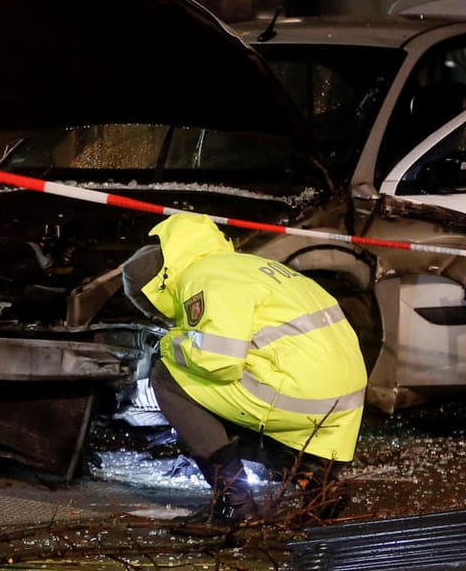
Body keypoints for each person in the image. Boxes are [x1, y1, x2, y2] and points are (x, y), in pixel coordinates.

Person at [120, 211, 367, 522]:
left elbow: (219, 361)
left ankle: (234, 504)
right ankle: (312, 474)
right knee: (219, 400)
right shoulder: (244, 265)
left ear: (157, 287)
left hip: (297, 395)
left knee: (168, 379)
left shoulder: (202, 278)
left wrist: (169, 344)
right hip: (341, 399)